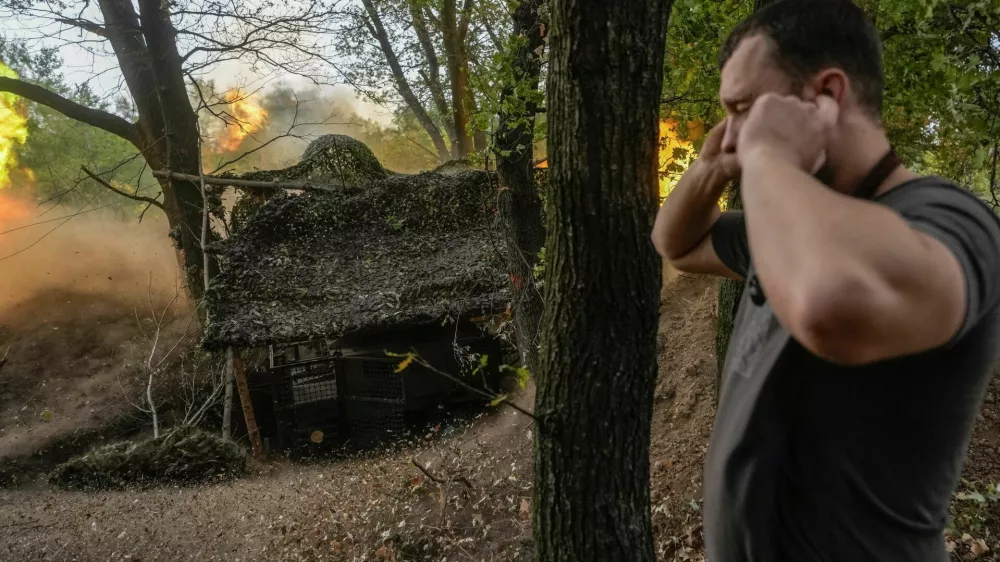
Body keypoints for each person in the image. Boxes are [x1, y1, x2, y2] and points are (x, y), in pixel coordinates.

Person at [652, 1, 1000, 561]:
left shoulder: (952, 222)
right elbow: (676, 244)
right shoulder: (790, 218)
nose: (737, 134)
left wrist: (768, 155)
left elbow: (828, 304)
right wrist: (713, 164)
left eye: (746, 109)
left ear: (827, 96)